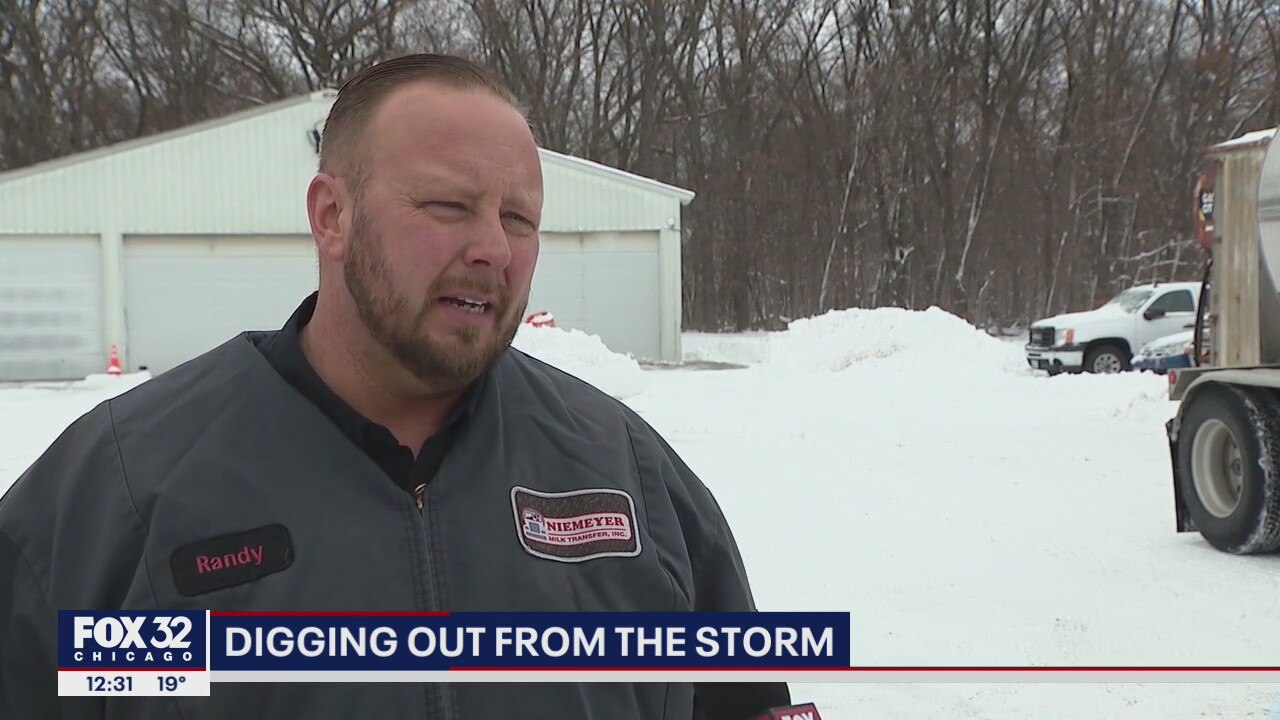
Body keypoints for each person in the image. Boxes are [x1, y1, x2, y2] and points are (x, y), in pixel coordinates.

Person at [0, 54, 791, 718]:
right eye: (449, 206)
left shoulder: (629, 477)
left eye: (519, 219)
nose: (494, 249)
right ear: (331, 216)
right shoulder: (122, 487)